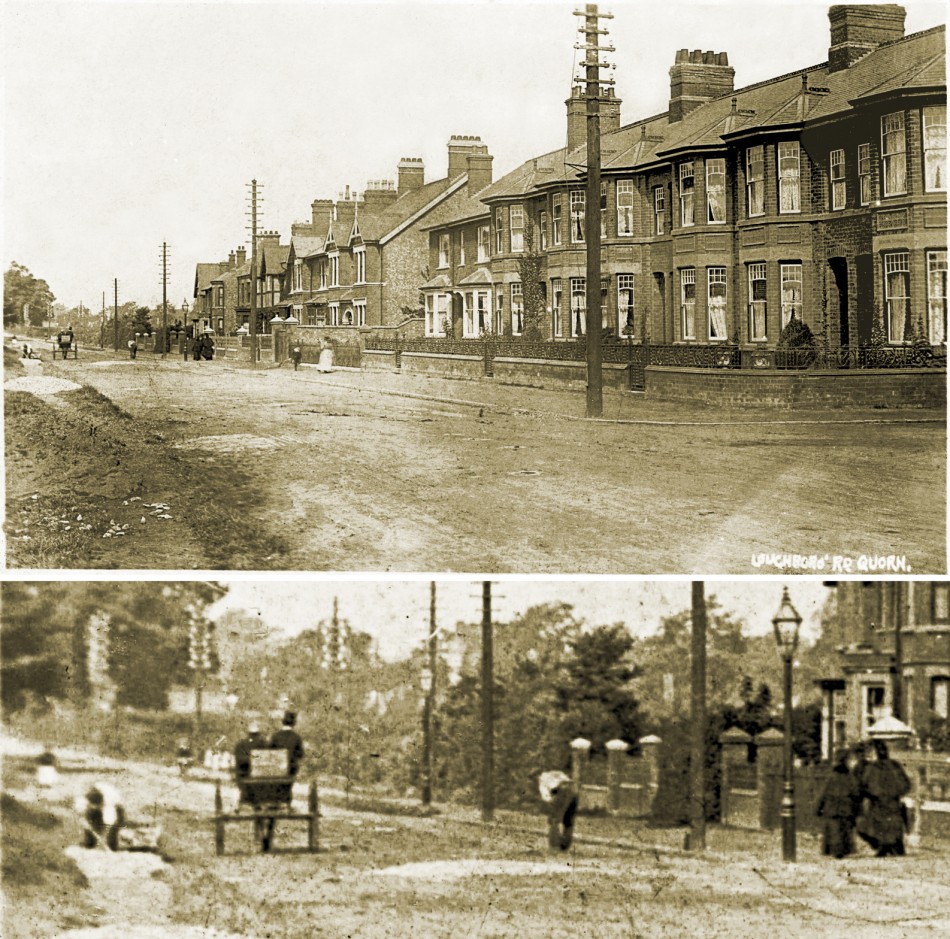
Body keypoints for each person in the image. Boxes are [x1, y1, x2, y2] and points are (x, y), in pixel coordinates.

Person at [858, 739, 911, 857]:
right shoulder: (894, 765)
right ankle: (893, 846)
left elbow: (864, 784)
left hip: (880, 801)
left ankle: (886, 846)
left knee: (880, 824)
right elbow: (905, 783)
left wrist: (869, 793)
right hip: (890, 800)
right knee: (891, 824)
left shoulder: (873, 768)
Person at [816, 748, 861, 859]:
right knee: (844, 829)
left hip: (832, 808)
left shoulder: (831, 776)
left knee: (834, 830)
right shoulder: (850, 777)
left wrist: (818, 808)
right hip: (845, 807)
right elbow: (855, 792)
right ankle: (842, 850)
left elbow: (823, 794)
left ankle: (835, 850)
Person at [76, 781, 126, 850]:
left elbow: (108, 824)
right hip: (97, 805)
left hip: (116, 808)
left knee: (111, 838)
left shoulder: (109, 801)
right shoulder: (82, 801)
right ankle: (92, 844)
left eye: (96, 807)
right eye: (92, 807)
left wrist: (102, 840)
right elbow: (81, 818)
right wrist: (94, 834)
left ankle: (110, 846)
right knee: (90, 842)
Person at [538, 770, 578, 852]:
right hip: (574, 790)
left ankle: (554, 846)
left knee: (553, 820)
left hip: (561, 791)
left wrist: (552, 806)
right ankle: (565, 847)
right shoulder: (555, 773)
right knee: (568, 822)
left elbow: (547, 798)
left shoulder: (542, 781)